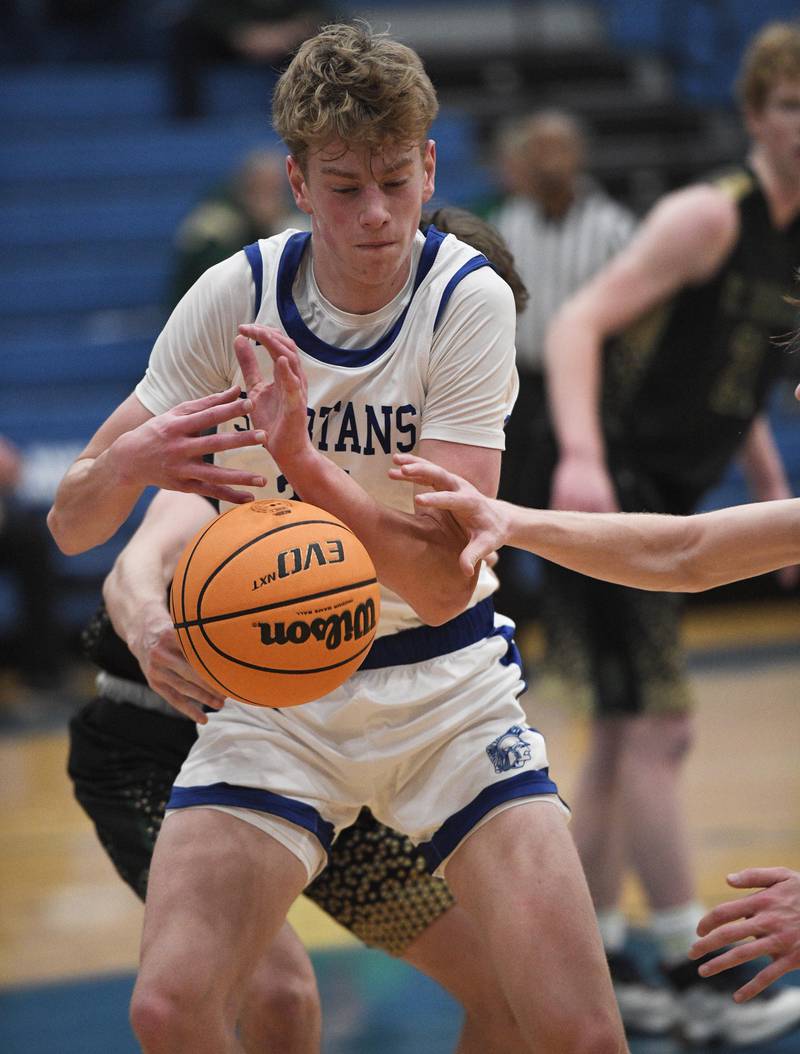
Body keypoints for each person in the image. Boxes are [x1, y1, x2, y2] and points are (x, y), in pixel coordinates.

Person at [49, 25, 626, 1054]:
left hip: (441, 689)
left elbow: (446, 587)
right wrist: (128, 466)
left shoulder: (465, 299)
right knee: (173, 1004)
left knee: (573, 1029)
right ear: (298, 181)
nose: (376, 214)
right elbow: (73, 524)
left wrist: (306, 465)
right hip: (275, 694)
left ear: (429, 168)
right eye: (346, 185)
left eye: (395, 183)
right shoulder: (235, 295)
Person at [68, 206, 531, 1054]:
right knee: (276, 995)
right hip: (156, 733)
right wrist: (146, 627)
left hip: (320, 734)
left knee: (505, 993)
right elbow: (141, 556)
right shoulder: (270, 409)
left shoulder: (428, 459)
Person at [529, 20, 800, 1044]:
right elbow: (575, 321)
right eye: (788, 107)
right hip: (612, 481)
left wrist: (767, 490)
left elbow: (742, 382)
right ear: (750, 118)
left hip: (676, 491)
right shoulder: (707, 215)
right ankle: (696, 966)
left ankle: (599, 957)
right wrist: (582, 455)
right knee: (655, 728)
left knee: (616, 733)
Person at [489, 110, 636, 626]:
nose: (549, 160)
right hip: (522, 387)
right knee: (505, 509)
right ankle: (507, 628)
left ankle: (589, 632)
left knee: (581, 517)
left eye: (560, 147)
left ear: (579, 155)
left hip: (591, 390)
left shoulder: (614, 227)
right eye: (539, 148)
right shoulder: (508, 225)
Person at [170, 149, 305, 305]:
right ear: (243, 189)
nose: (264, 200)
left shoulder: (295, 230)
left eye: (272, 190)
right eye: (257, 189)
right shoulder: (214, 229)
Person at [167, 0, 333, 119]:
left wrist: (284, 34)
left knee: (325, 47)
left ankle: (313, 117)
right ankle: (188, 120)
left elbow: (323, 14)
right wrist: (238, 32)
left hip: (288, 44)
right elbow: (206, 10)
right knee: (184, 34)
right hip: (228, 40)